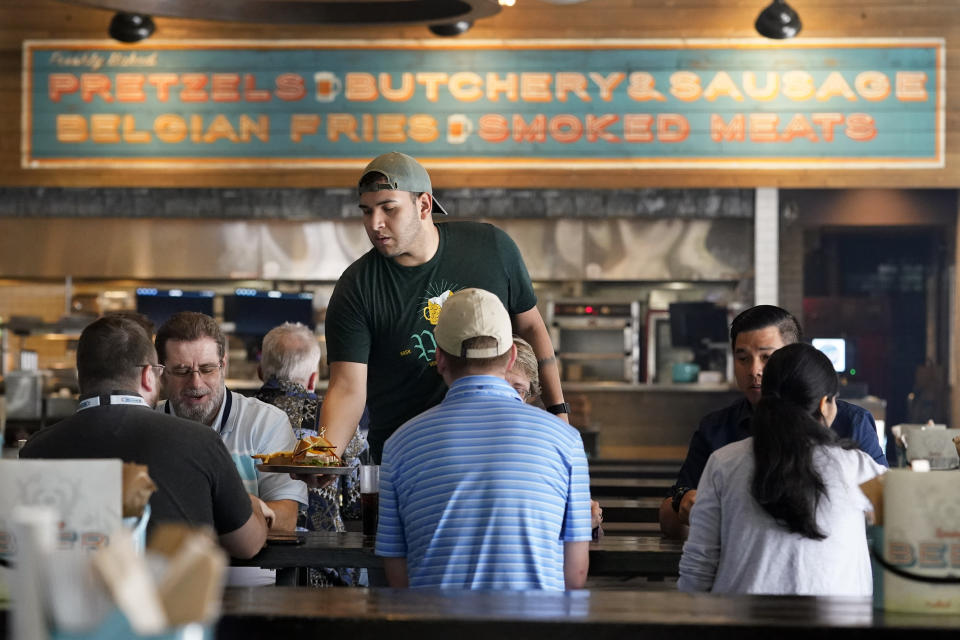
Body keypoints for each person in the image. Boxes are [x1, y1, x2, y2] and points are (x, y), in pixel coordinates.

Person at [321, 151, 568, 464]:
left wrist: (558, 411)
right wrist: (324, 457)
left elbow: (532, 327)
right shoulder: (357, 287)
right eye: (367, 211)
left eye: (388, 209)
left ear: (424, 205)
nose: (375, 224)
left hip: (495, 450)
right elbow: (346, 387)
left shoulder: (491, 248)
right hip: (408, 460)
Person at [376, 288, 592, 590]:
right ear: (511, 357)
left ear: (439, 359)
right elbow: (575, 574)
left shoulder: (399, 445)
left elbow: (397, 576)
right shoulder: (566, 441)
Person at [20, 316, 270, 559]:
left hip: (65, 601)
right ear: (148, 376)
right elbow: (246, 545)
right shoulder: (200, 440)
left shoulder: (35, 449)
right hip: (173, 600)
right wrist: (256, 508)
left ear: (80, 377)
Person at [660, 305, 887, 538]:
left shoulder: (851, 422)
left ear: (795, 357)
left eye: (767, 357)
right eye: (742, 358)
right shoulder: (716, 430)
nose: (754, 370)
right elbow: (669, 519)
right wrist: (682, 506)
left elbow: (884, 510)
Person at [678, 343, 885, 595]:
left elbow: (699, 565)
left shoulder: (723, 462)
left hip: (738, 624)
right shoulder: (856, 467)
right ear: (824, 404)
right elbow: (908, 518)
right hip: (840, 623)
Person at [154, 311, 307, 533]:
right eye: (181, 371)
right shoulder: (147, 424)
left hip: (248, 568)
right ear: (161, 372)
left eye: (207, 369)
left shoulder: (265, 423)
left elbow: (286, 519)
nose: (196, 382)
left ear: (223, 365)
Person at [256, 321, 368, 587]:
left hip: (256, 561)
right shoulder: (339, 424)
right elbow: (357, 511)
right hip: (326, 570)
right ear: (312, 379)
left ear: (260, 371)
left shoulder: (246, 415)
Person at [507, 335, 603, 535]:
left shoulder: (547, 443)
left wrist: (587, 517)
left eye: (518, 390)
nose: (508, 397)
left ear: (529, 396)